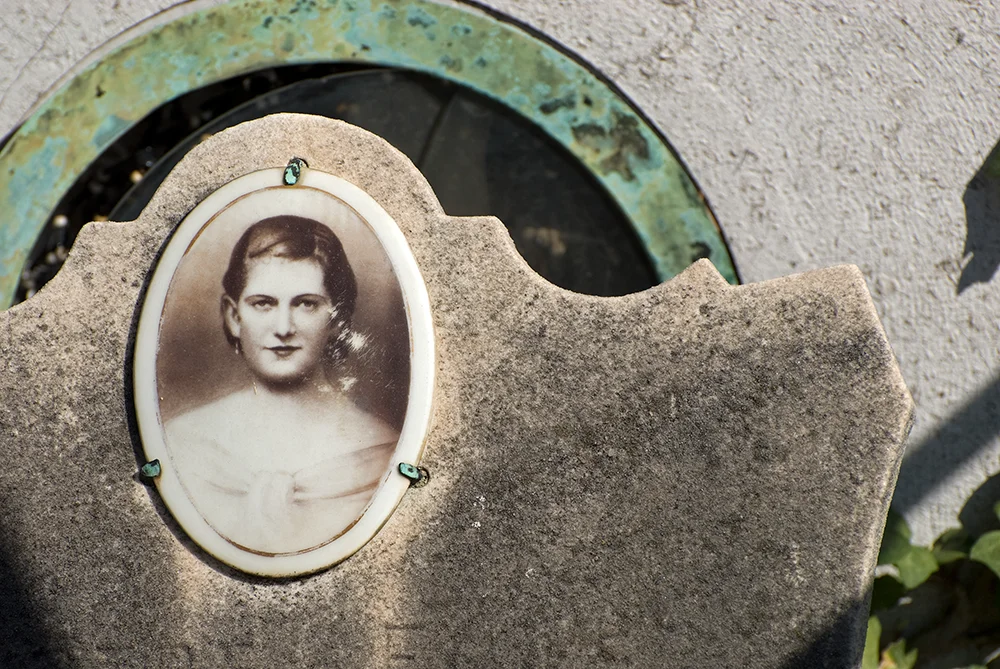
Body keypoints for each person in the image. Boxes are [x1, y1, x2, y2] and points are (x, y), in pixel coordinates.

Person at [163, 216, 399, 555]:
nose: (284, 327)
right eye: (263, 303)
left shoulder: (382, 452)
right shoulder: (184, 445)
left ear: (337, 319)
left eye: (306, 303)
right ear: (234, 316)